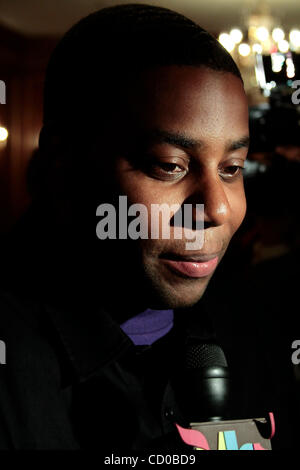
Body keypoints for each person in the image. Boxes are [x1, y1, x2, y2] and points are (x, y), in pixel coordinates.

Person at [0, 3, 284, 451]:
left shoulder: (261, 327)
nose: (217, 208)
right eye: (169, 166)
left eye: (232, 168)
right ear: (62, 163)